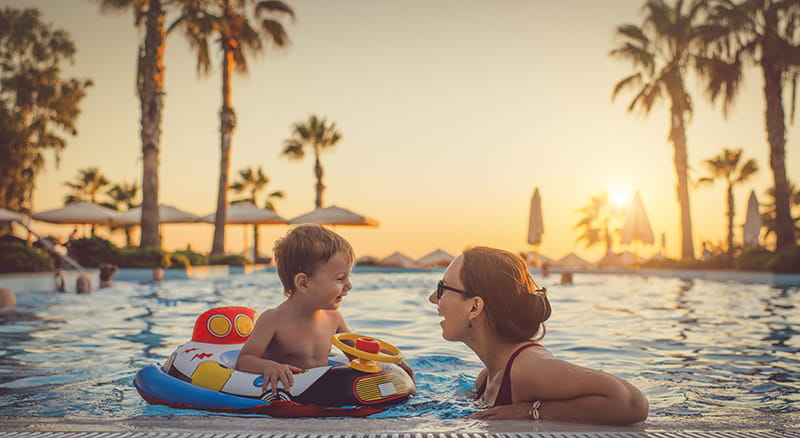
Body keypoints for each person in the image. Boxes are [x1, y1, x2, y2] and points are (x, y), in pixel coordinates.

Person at [429, 246, 648, 424]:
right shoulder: (486, 378)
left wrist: (532, 411)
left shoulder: (526, 369)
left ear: (475, 307)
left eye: (443, 289)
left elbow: (631, 402)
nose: (433, 298)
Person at [235, 224, 356, 397]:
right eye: (340, 278)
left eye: (348, 277)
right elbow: (244, 360)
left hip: (322, 395)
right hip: (289, 398)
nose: (348, 286)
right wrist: (269, 366)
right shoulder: (273, 319)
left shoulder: (334, 319)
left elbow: (357, 354)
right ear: (304, 283)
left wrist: (392, 362)